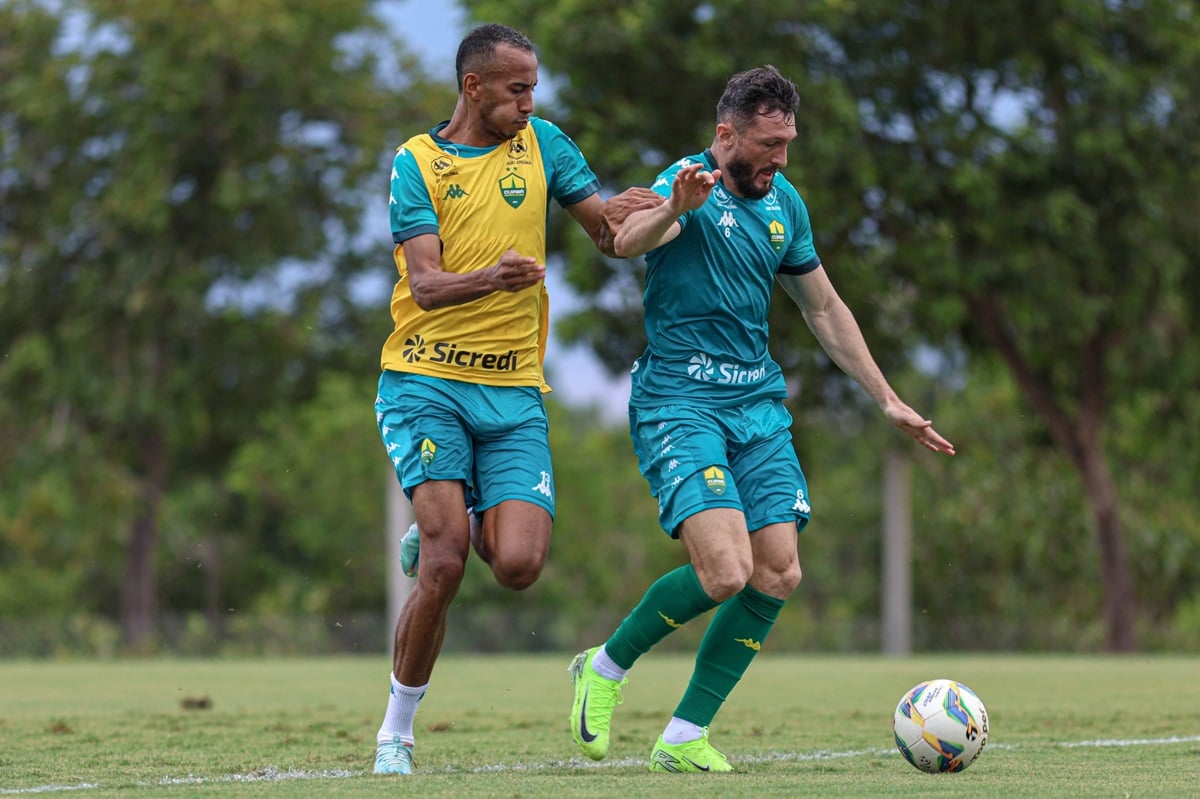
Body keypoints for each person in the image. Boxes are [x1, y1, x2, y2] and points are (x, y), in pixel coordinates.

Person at [567, 65, 956, 773]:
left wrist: (886, 396)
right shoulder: (685, 180)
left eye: (788, 143)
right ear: (726, 135)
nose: (780, 158)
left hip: (756, 407)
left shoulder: (786, 205)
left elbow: (824, 309)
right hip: (679, 402)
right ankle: (605, 664)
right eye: (768, 144)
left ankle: (684, 736)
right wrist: (669, 209)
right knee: (724, 571)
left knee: (776, 572)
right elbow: (626, 243)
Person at [371, 23, 657, 775]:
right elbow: (426, 286)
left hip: (514, 390)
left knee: (521, 565)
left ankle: (451, 507)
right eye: (516, 90)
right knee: (445, 562)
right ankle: (396, 732)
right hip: (426, 379)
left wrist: (659, 208)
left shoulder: (546, 146)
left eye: (534, 88)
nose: (530, 103)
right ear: (474, 88)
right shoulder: (418, 162)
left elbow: (606, 233)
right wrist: (490, 279)